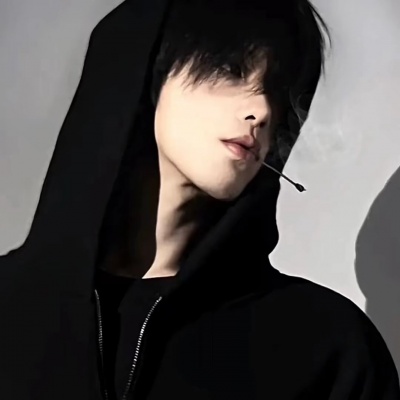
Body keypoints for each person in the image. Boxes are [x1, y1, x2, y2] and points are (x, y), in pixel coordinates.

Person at [0, 0, 399, 399]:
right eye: (230, 69)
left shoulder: (325, 346)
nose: (261, 110)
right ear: (144, 72)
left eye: (277, 91)